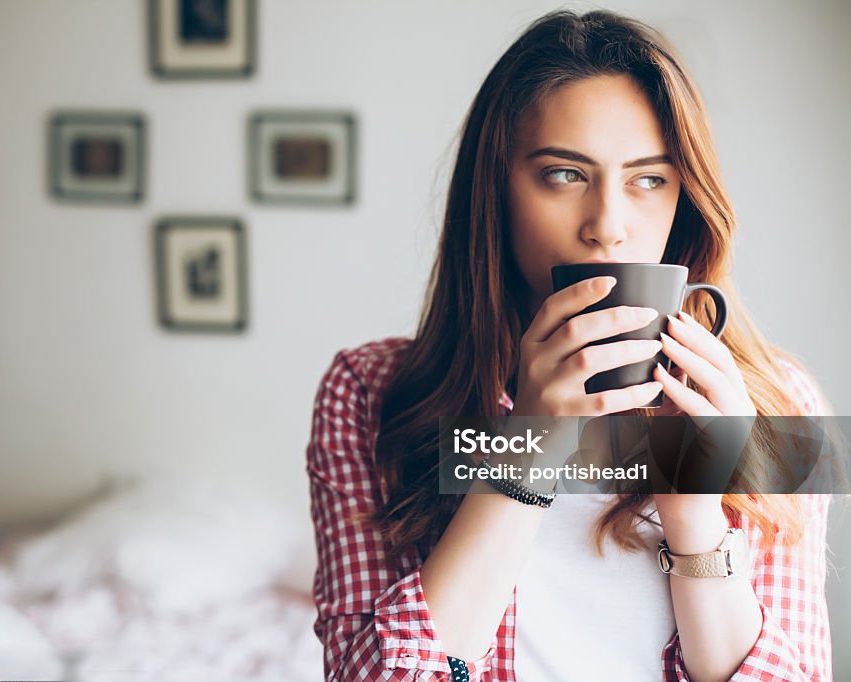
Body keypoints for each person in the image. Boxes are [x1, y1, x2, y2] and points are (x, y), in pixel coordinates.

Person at [304, 9, 836, 682]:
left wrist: (693, 506)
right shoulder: (370, 392)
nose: (608, 227)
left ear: (687, 198)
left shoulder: (778, 400)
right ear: (496, 189)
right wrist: (525, 450)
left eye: (649, 178)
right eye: (564, 174)